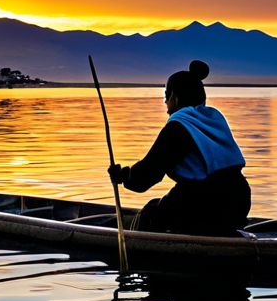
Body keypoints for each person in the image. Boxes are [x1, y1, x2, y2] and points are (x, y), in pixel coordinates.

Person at [108, 60, 251, 236]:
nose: (166, 104)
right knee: (163, 204)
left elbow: (148, 174)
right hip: (239, 200)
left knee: (150, 213)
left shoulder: (179, 126)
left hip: (205, 203)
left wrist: (123, 177)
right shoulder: (214, 118)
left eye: (166, 96)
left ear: (175, 97)